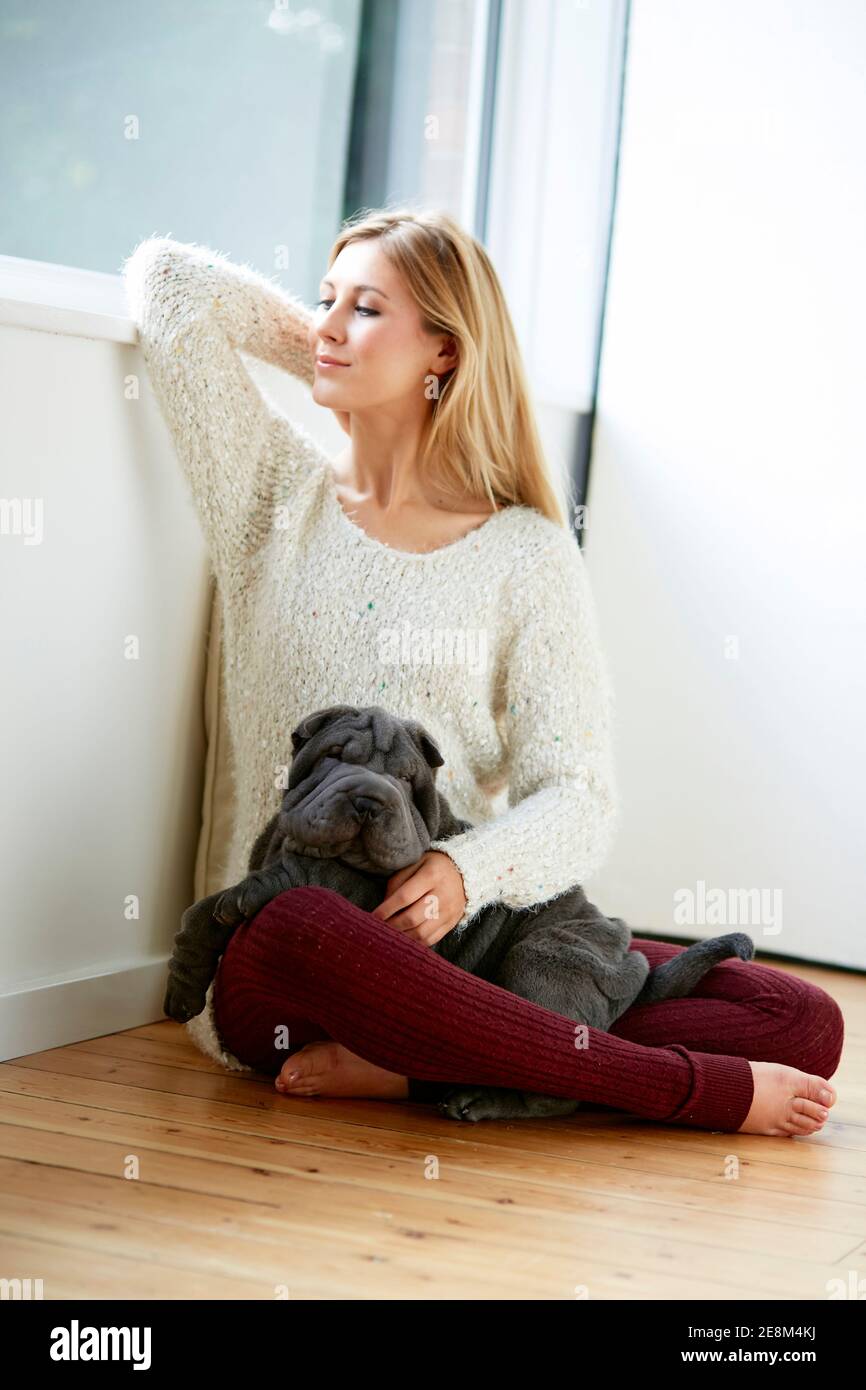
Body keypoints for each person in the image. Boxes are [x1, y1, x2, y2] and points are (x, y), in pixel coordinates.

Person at [122, 207, 843, 1137]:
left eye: (368, 309)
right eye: (324, 301)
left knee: (797, 1018)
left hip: (460, 944)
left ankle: (415, 1072)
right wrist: (354, 362)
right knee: (306, 915)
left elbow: (576, 795)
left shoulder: (528, 556)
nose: (328, 326)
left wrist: (464, 871)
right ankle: (668, 1088)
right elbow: (171, 281)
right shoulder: (270, 497)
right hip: (289, 961)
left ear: (448, 354)